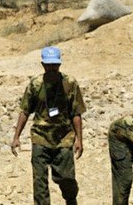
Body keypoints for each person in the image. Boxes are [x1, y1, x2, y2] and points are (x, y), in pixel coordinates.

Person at [11, 46, 85, 205]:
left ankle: (71, 199)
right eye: (48, 65)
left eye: (55, 65)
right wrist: (16, 137)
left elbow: (76, 112)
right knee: (39, 182)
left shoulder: (69, 83)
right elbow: (25, 111)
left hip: (64, 137)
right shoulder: (35, 84)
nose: (52, 68)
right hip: (40, 137)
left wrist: (79, 139)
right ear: (43, 65)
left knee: (66, 178)